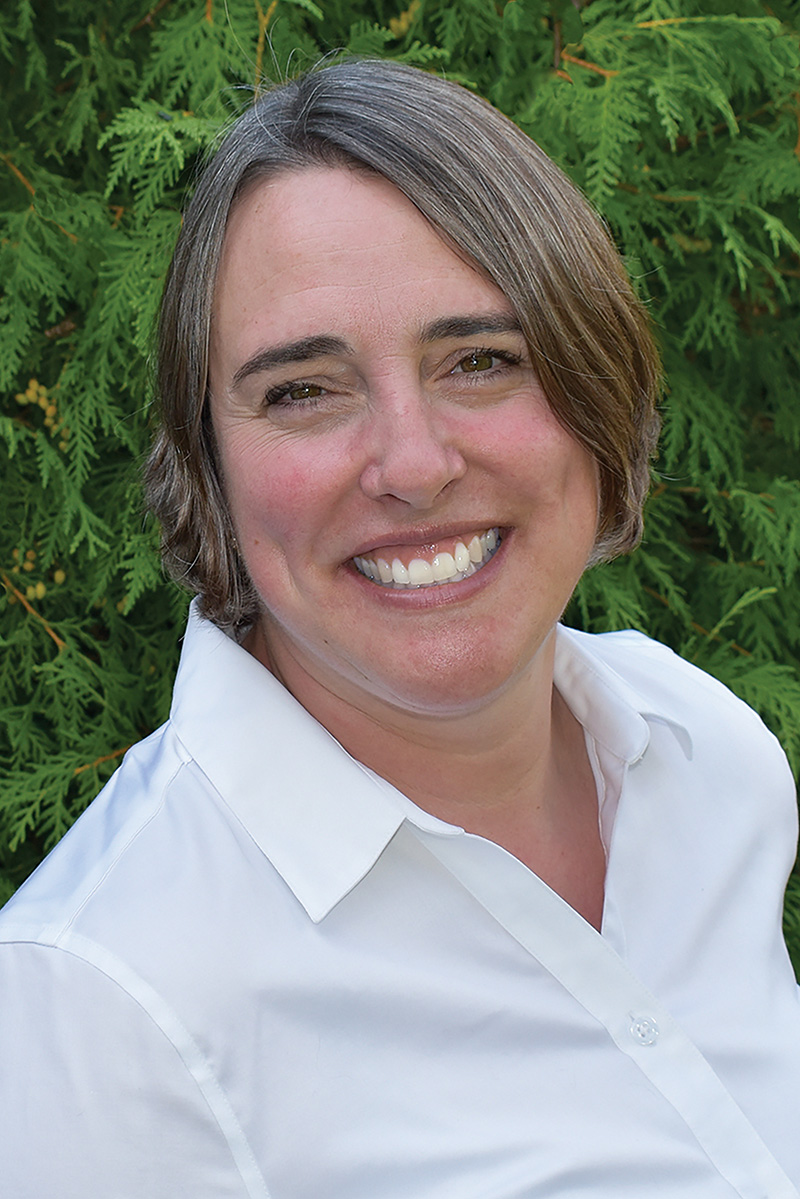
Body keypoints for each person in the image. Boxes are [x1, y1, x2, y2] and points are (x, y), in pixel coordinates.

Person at [1, 58, 799, 1199]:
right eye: (302, 390)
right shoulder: (99, 1000)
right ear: (209, 470)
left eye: (481, 360)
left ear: (595, 390)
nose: (414, 465)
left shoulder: (700, 748)